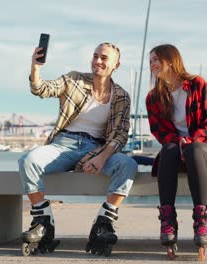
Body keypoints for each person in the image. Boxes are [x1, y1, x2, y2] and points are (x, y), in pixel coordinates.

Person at [18, 42, 138, 256]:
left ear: (116, 65)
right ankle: (43, 221)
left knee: (128, 164)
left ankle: (104, 223)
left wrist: (102, 158)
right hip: (63, 145)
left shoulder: (121, 96)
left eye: (104, 58)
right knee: (28, 161)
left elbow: (120, 134)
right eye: (95, 56)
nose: (98, 61)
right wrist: (36, 68)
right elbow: (41, 89)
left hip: (97, 150)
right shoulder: (74, 80)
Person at [145, 44, 207, 260]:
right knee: (168, 149)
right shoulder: (154, 98)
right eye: (150, 62)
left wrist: (190, 141)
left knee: (193, 149)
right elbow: (160, 132)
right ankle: (167, 219)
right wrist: (179, 142)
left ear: (171, 60)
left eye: (156, 59)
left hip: (205, 150)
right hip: (176, 152)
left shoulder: (198, 85)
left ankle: (202, 220)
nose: (152, 65)